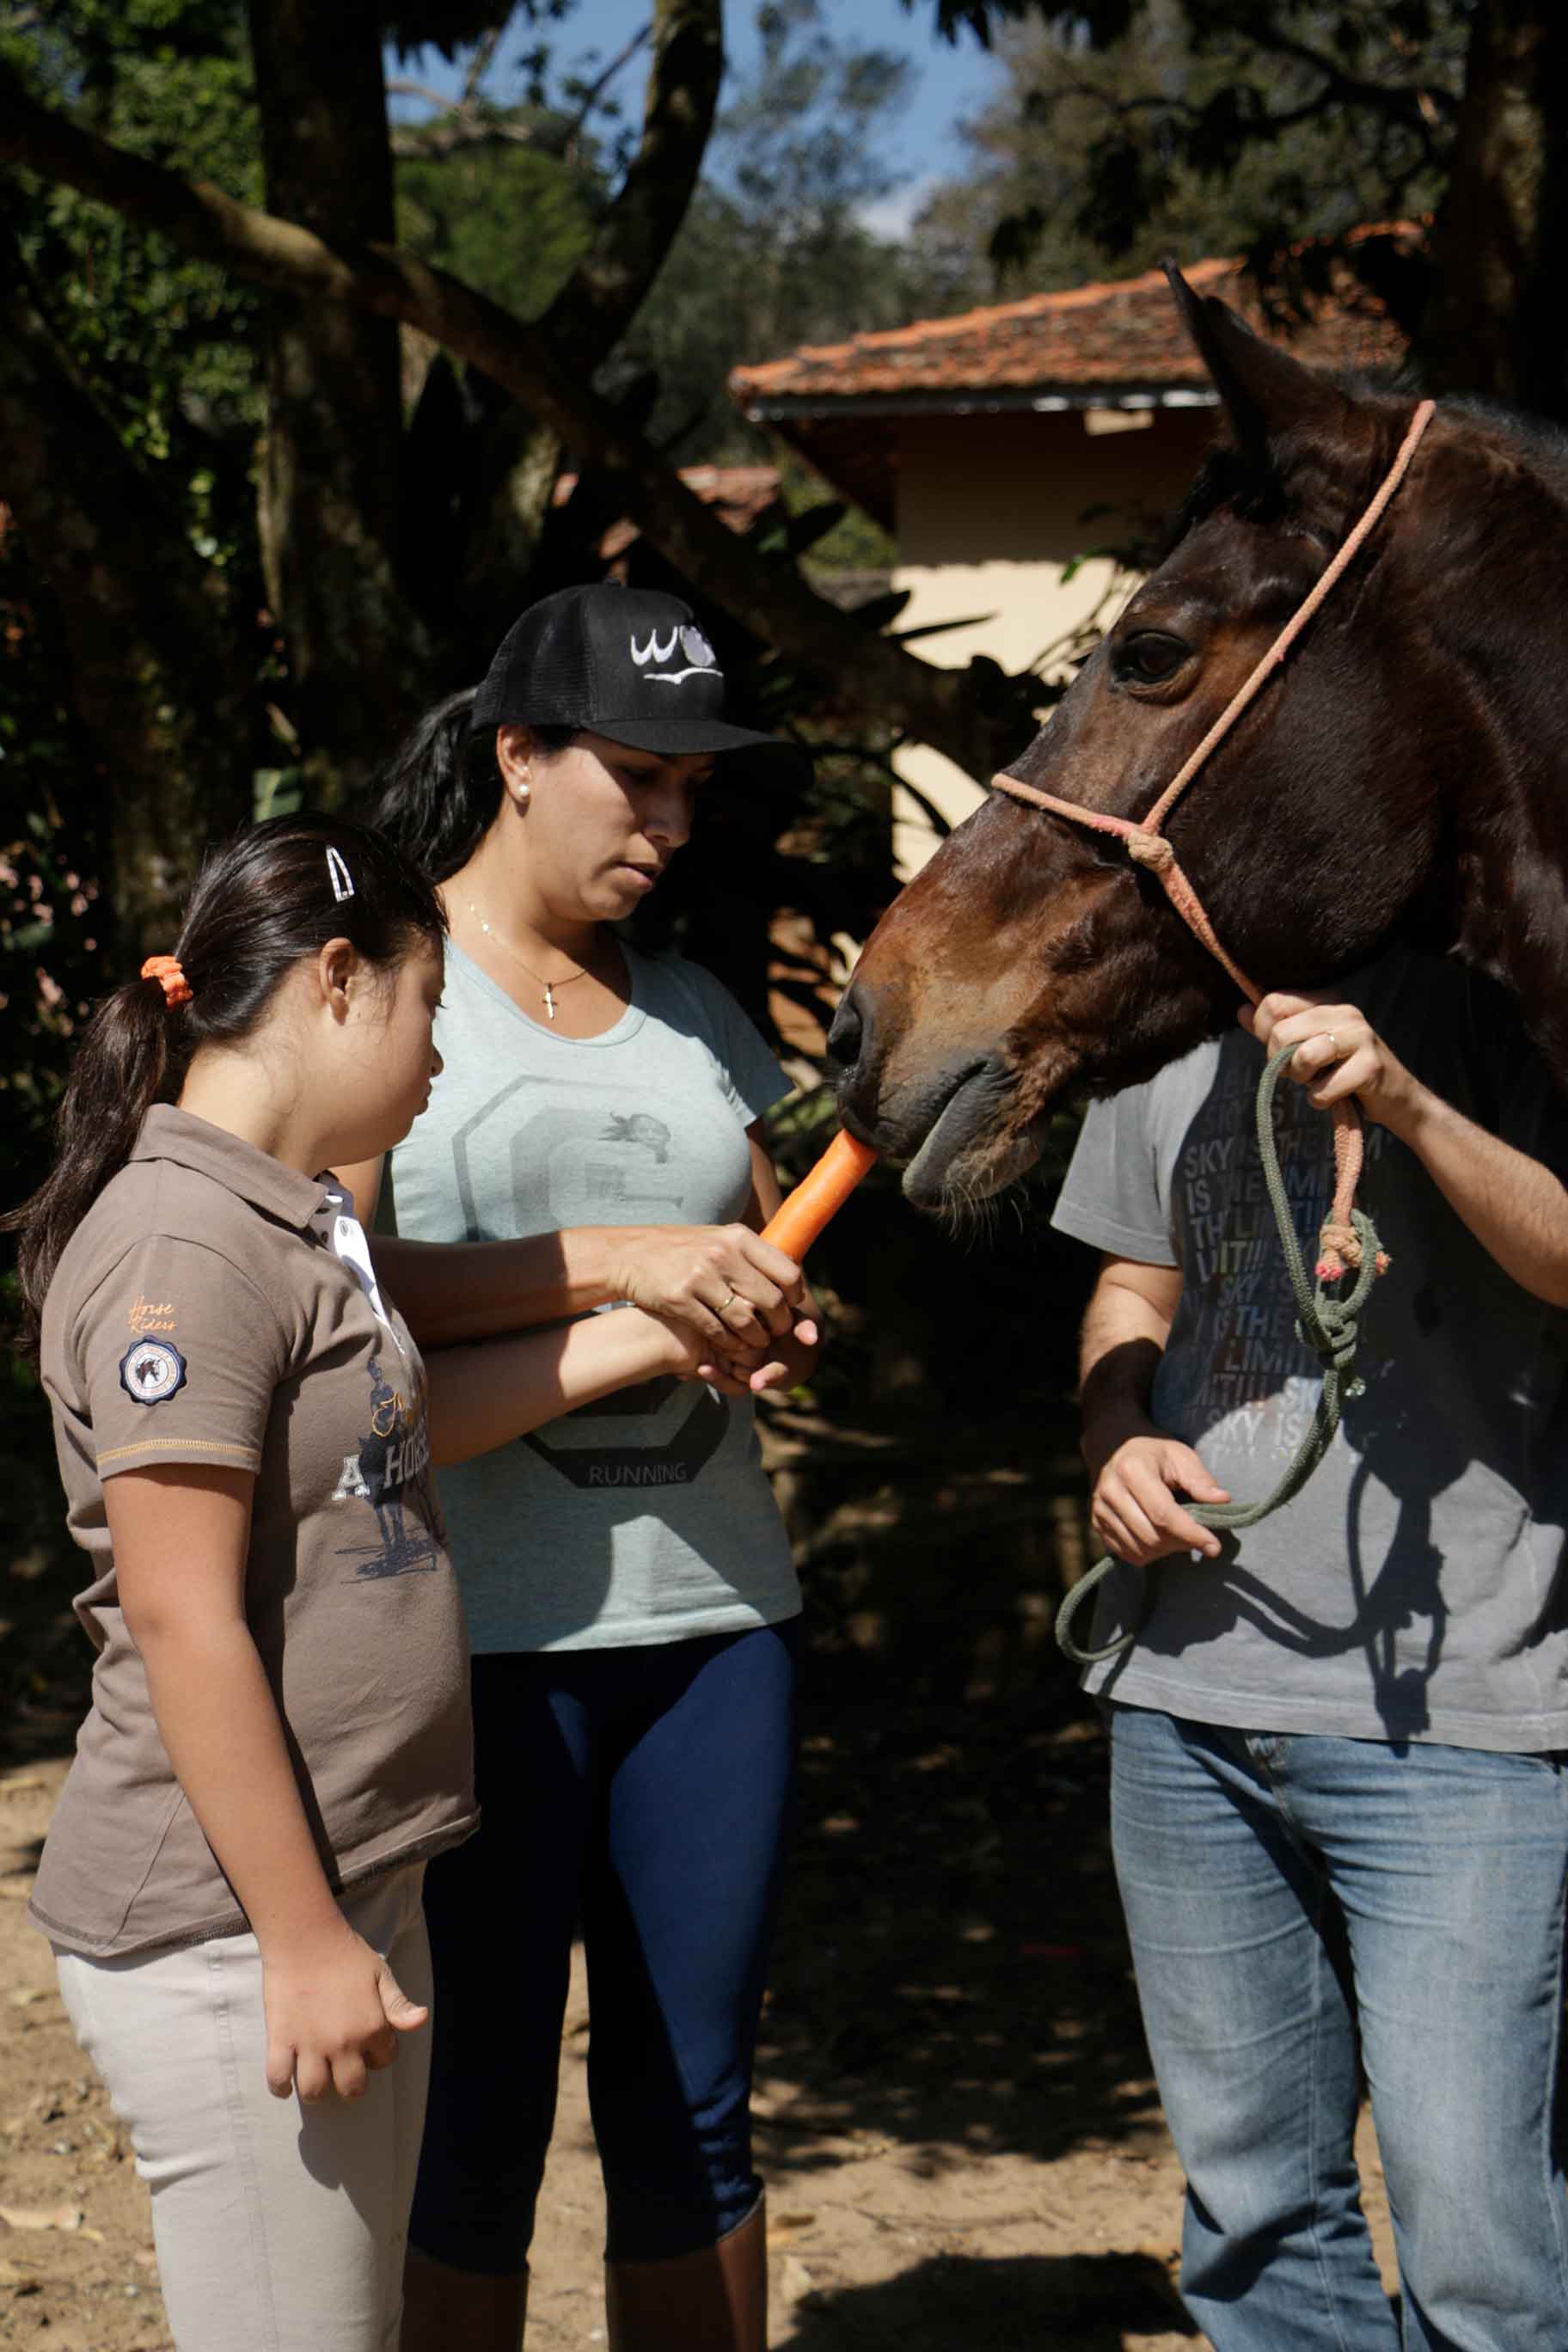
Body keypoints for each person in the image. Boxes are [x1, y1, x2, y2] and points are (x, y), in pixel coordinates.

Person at [8, 815, 764, 2352]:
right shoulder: (187, 1242)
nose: (437, 1061)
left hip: (346, 1879)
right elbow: (180, 1614)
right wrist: (298, 1939)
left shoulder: (303, 1224)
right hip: (232, 1926)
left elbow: (402, 1441)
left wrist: (665, 1328)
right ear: (339, 983)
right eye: (429, 1010)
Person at [340, 584, 821, 2352]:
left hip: (716, 1630)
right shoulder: (379, 982)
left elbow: (751, 1247)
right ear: (519, 757)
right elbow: (345, 1296)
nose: (675, 823)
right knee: (473, 2125)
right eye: (640, 777)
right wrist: (630, 1261)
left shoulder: (692, 1004)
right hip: (468, 1640)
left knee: (694, 2114)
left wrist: (770, 1311)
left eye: (697, 788)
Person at [1050, 956, 1568, 2352]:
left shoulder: (1499, 984)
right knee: (1256, 2213)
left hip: (1455, 1721)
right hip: (1182, 1704)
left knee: (1480, 2240)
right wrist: (1112, 1431)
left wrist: (1408, 1103)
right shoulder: (1157, 1016)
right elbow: (1131, 1278)